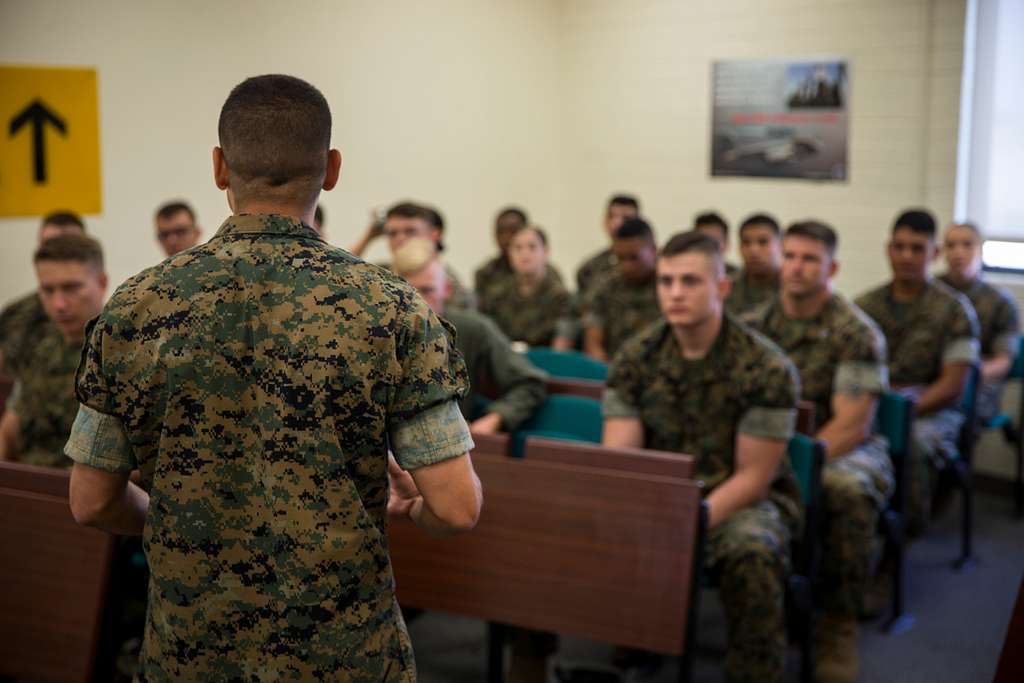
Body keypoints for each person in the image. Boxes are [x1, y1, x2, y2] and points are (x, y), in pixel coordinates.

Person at [65, 74, 482, 682]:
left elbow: (91, 499)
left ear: (219, 168)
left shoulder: (136, 308)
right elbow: (457, 506)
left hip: (190, 653)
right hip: (347, 657)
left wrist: (179, 520)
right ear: (331, 168)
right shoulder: (390, 308)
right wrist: (414, 509)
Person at [603, 230, 801, 683]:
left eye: (690, 282)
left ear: (722, 287)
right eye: (666, 281)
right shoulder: (636, 358)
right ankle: (636, 638)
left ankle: (756, 668)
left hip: (740, 502)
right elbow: (622, 458)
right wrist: (645, 512)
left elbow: (753, 478)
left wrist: (688, 519)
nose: (674, 294)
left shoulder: (766, 367)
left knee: (752, 550)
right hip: (663, 496)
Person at [745, 221, 892, 683]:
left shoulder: (855, 331)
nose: (796, 267)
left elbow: (851, 423)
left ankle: (838, 625)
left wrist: (787, 467)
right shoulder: (753, 327)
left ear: (833, 267)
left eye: (810, 259)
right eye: (789, 255)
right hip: (769, 445)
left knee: (845, 489)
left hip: (842, 448)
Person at [856, 209, 979, 536]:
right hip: (874, 402)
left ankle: (901, 545)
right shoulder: (864, 306)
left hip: (930, 408)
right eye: (900, 247)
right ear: (888, 249)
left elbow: (954, 384)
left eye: (917, 248)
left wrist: (900, 412)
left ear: (933, 253)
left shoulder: (955, 311)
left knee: (914, 443)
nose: (907, 256)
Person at [395, 238, 547, 436]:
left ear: (446, 289)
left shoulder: (472, 329)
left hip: (445, 445)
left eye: (427, 290)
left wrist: (494, 420)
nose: (416, 302)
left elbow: (530, 382)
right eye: (407, 292)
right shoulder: (379, 331)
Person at [0, 234, 107, 466]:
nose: (59, 304)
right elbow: (11, 427)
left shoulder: (126, 349)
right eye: (48, 290)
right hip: (33, 487)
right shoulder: (41, 346)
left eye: (71, 288)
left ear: (102, 283)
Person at [939, 222, 1020, 423]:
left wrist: (962, 374)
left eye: (967, 244)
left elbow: (1003, 361)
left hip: (978, 383)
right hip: (932, 379)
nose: (958, 252)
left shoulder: (1000, 301)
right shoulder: (930, 293)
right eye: (951, 245)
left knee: (953, 406)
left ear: (980, 250)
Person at [0, 211, 86, 378]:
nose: (56, 254)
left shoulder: (107, 317)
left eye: (68, 247)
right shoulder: (15, 313)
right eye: (48, 245)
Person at [349, 200, 475, 310]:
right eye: (392, 233)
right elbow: (338, 274)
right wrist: (368, 237)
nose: (400, 239)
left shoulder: (445, 283)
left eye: (410, 231)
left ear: (434, 235)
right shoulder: (381, 273)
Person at [478, 225, 574, 349]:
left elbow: (561, 348)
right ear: (510, 254)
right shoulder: (496, 295)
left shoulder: (561, 298)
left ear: (546, 252)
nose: (524, 254)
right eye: (518, 248)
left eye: (532, 247)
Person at [582, 218, 660, 362]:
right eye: (620, 258)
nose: (626, 266)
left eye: (634, 258)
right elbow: (593, 346)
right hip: (615, 370)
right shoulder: (606, 286)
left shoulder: (669, 285)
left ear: (653, 250)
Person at [575, 194, 640, 300]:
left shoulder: (650, 265)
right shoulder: (589, 269)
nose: (617, 223)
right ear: (604, 222)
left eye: (626, 218)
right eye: (611, 216)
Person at [726, 213, 782, 315]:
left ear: (781, 245)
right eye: (746, 242)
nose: (753, 250)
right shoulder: (726, 289)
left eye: (763, 242)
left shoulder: (792, 288)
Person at [694, 211, 739, 276]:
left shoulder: (737, 277)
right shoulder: (683, 275)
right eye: (703, 241)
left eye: (715, 241)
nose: (709, 246)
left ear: (727, 243)